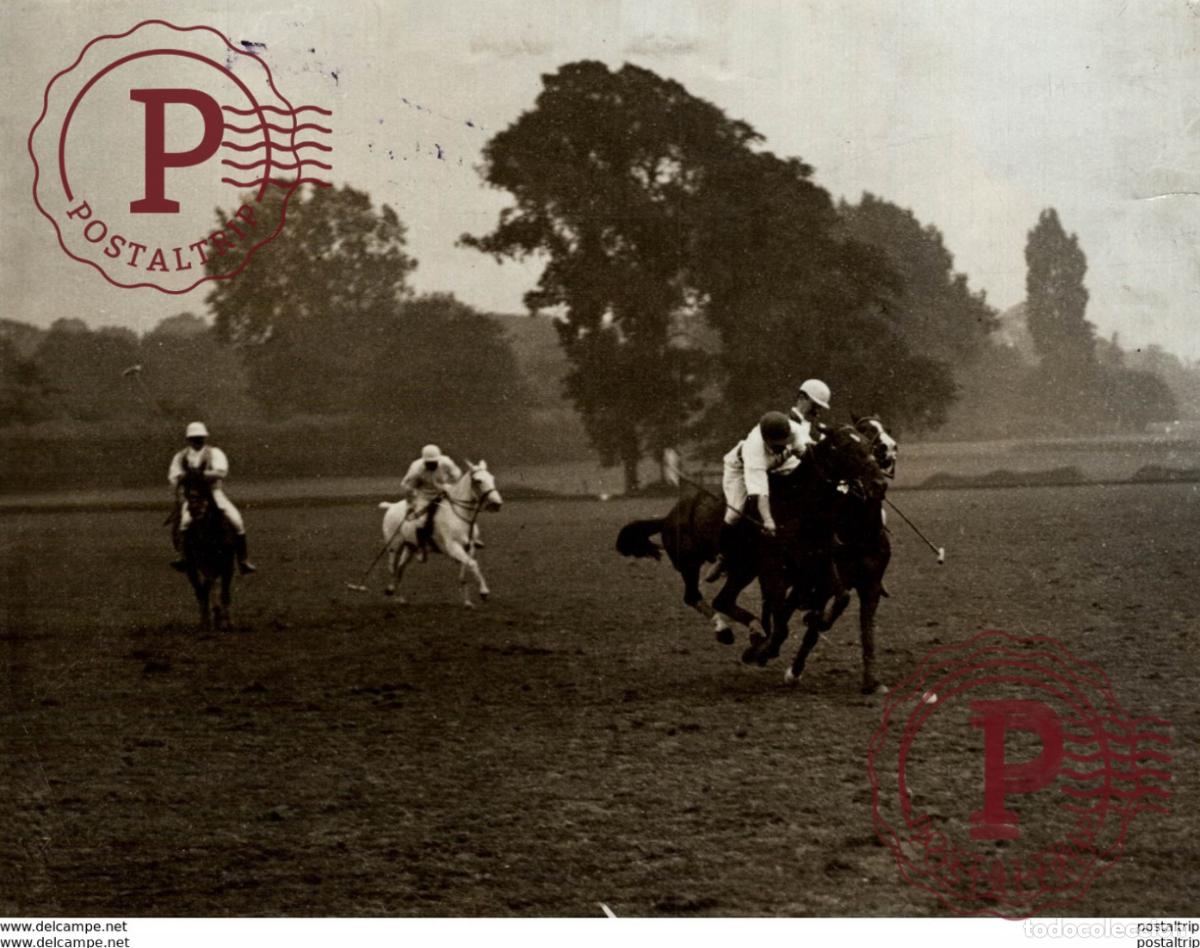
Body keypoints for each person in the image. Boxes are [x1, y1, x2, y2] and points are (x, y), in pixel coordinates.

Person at [707, 409, 814, 581]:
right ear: (766, 439)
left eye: (784, 442)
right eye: (777, 445)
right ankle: (723, 556)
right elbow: (760, 493)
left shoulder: (793, 430)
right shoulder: (754, 450)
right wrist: (768, 520)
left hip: (777, 464)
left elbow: (808, 455)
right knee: (734, 514)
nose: (782, 446)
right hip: (739, 470)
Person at [169, 421, 256, 574]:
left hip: (214, 493)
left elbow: (221, 473)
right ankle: (183, 558)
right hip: (193, 496)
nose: (197, 440)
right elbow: (174, 477)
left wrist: (198, 475)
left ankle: (243, 560)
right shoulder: (180, 456)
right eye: (194, 438)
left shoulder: (215, 453)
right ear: (188, 439)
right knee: (185, 522)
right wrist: (187, 479)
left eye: (200, 437)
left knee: (236, 520)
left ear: (205, 437)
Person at [401, 444, 462, 559]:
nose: (432, 465)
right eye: (429, 463)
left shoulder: (446, 463)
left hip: (444, 492)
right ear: (424, 461)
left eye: (434, 462)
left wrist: (449, 486)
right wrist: (411, 503)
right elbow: (407, 487)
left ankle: (470, 538)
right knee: (421, 521)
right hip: (425, 496)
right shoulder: (416, 469)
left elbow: (457, 475)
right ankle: (421, 548)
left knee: (460, 509)